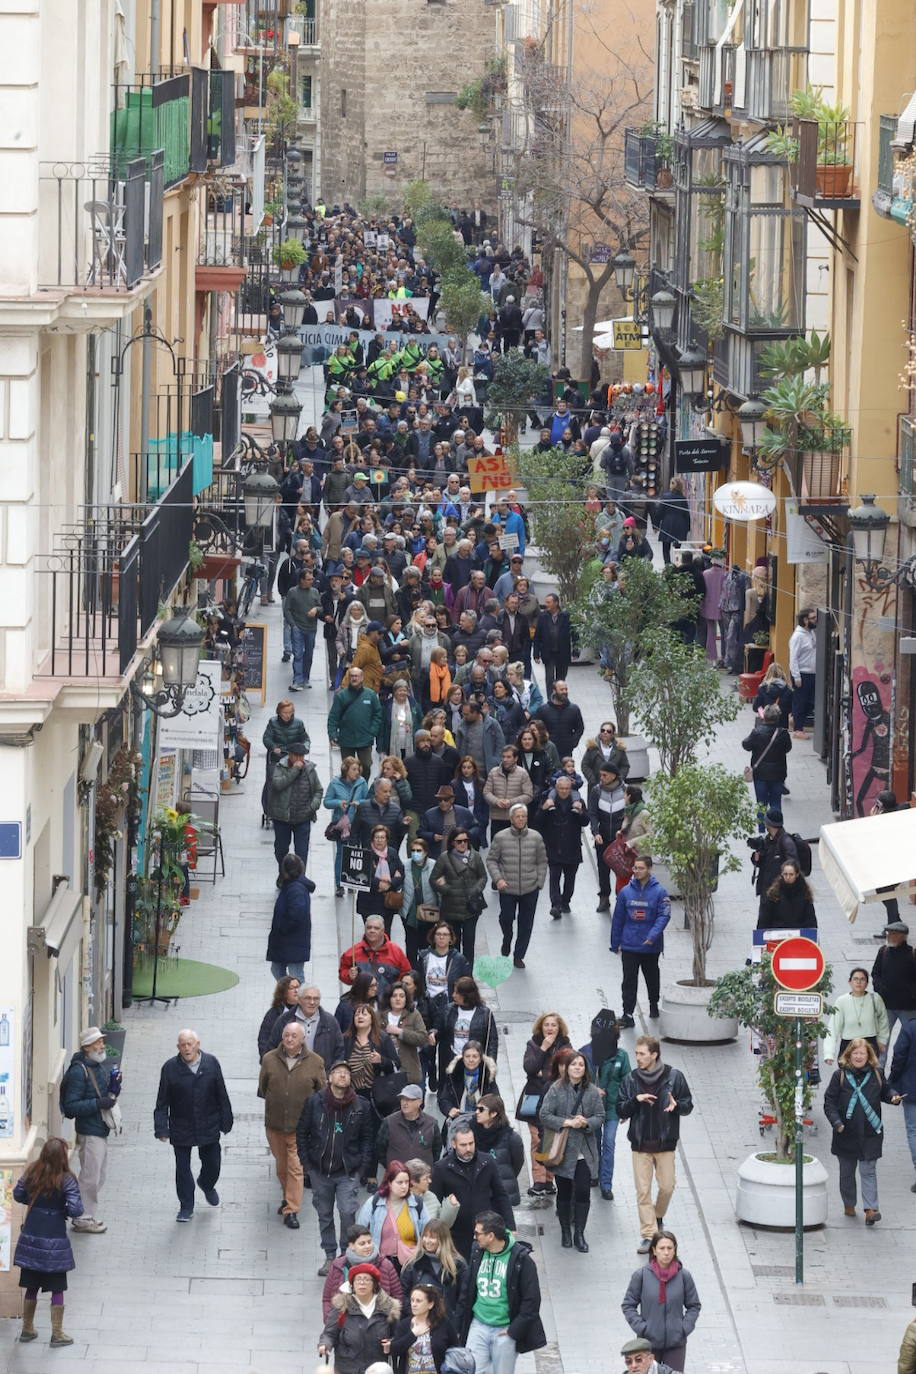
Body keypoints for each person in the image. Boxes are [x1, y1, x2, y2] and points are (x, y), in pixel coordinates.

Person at [617, 1036, 693, 1253]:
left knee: (667, 1186)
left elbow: (688, 1105)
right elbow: (620, 1109)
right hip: (640, 1144)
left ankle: (657, 1216)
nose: (638, 1058)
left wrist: (677, 1106)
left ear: (654, 1054)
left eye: (642, 1054)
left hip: (665, 1142)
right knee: (642, 1191)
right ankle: (649, 1234)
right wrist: (635, 1101)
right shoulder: (631, 1080)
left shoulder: (674, 1076)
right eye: (637, 1054)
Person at [297, 1060, 374, 1275]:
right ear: (329, 1078)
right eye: (338, 1072)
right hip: (320, 1171)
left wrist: (361, 1169)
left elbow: (368, 1139)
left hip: (347, 1172)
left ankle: (344, 1255)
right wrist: (308, 1165)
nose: (342, 1075)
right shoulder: (315, 1102)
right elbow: (302, 1133)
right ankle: (330, 1255)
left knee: (348, 1212)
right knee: (324, 1214)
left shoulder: (361, 1106)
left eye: (346, 1073)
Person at [154, 1028, 234, 1223]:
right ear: (178, 1047)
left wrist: (226, 1120)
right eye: (183, 1045)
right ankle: (186, 1206)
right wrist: (161, 1128)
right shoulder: (170, 1068)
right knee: (182, 1168)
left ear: (198, 1044)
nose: (187, 1048)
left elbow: (221, 1093)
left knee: (213, 1163)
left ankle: (206, 1184)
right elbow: (162, 1101)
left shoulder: (211, 1063)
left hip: (209, 1123)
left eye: (190, 1044)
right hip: (181, 1125)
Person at [12, 1137, 83, 1347]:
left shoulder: (32, 1172)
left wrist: (37, 1206)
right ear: (62, 1156)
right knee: (57, 1288)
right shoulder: (67, 1179)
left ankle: (27, 1329)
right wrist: (62, 1210)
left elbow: (18, 1194)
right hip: (55, 1243)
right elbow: (77, 1209)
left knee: (31, 1286)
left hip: (32, 1238)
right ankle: (57, 1334)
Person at [823, 1036, 901, 1225]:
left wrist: (893, 1097)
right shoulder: (839, 1076)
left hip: (870, 1132)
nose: (859, 1056)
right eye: (855, 1053)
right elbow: (829, 1103)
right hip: (846, 1133)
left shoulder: (876, 1074)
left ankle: (871, 1209)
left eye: (862, 1053)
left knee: (868, 1170)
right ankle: (849, 1204)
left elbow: (886, 1091)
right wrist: (837, 1124)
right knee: (847, 1173)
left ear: (869, 1056)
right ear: (849, 1055)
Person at [456, 1210, 546, 1373]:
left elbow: (531, 1301)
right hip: (478, 1326)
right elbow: (466, 1291)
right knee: (472, 1370)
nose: (475, 1237)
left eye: (478, 1233)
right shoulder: (477, 1252)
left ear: (490, 1236)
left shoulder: (522, 1260)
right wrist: (458, 1325)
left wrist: (514, 1330)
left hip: (505, 1330)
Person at [257, 1020, 326, 1230]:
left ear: (303, 1038)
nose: (289, 1039)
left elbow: (322, 1092)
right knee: (282, 1166)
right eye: (286, 1035)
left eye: (293, 1036)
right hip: (275, 1124)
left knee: (295, 1167)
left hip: (301, 1127)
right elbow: (263, 1086)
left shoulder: (315, 1062)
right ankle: (288, 1197)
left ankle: (292, 1210)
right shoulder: (269, 1059)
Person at [539, 1051, 603, 1252]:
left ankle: (579, 1234)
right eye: (574, 1064)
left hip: (584, 1151)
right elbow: (544, 1114)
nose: (577, 1067)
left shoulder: (592, 1091)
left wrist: (586, 1123)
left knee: (584, 1191)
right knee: (564, 1192)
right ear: (566, 1067)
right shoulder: (556, 1089)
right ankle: (565, 1231)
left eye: (581, 1065)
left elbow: (600, 1115)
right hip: (563, 1150)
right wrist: (567, 1122)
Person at [59, 1025, 121, 1235]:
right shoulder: (79, 1071)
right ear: (87, 1047)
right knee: (90, 1177)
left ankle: (84, 1212)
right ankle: (82, 1218)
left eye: (101, 1041)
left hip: (99, 1129)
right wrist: (98, 1103)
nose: (102, 1045)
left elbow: (100, 1094)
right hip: (90, 1130)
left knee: (98, 1176)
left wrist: (113, 1089)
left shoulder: (95, 1065)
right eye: (98, 1042)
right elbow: (71, 1106)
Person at [621, 1230, 701, 1374]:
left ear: (674, 1250)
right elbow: (628, 1305)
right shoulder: (641, 1276)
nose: (666, 1253)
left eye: (670, 1248)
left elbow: (694, 1305)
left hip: (676, 1343)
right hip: (648, 1343)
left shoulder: (684, 1276)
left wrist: (683, 1328)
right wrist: (643, 1328)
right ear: (654, 1250)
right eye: (662, 1248)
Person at [431, 1131, 515, 1260]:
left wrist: (510, 1225)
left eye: (471, 1143)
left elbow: (501, 1195)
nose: (468, 1149)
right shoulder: (442, 1168)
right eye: (463, 1145)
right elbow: (434, 1203)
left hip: (486, 1231)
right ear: (453, 1144)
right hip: (457, 1235)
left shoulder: (487, 1162)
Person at [485, 803, 548, 970]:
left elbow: (542, 861)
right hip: (508, 888)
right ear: (511, 818)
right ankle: (507, 938)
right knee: (506, 918)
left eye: (523, 816)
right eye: (517, 816)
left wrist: (539, 882)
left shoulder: (536, 837)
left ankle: (519, 955)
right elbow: (491, 860)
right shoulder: (500, 837)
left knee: (526, 924)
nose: (521, 819)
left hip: (530, 888)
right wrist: (498, 879)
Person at [611, 857, 671, 1027]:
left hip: (650, 947)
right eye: (635, 868)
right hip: (630, 945)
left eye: (641, 868)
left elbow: (664, 916)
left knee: (652, 977)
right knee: (629, 980)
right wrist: (615, 943)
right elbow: (618, 919)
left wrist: (652, 936)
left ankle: (653, 1004)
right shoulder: (625, 892)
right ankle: (627, 1014)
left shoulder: (660, 892)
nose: (637, 871)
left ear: (650, 869)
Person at [518, 1013, 572, 1200]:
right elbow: (530, 1068)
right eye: (546, 1025)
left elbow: (566, 1071)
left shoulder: (565, 1046)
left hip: (556, 1098)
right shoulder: (533, 1044)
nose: (550, 1028)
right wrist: (543, 1049)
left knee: (552, 1139)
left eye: (553, 1025)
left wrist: (544, 1073)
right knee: (536, 1139)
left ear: (559, 1028)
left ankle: (549, 1179)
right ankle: (539, 1179)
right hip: (535, 1096)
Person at [318, 1262, 401, 1372]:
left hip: (376, 1368)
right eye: (358, 1280)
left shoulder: (388, 1308)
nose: (362, 1283)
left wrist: (391, 1344)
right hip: (347, 1367)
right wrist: (325, 1344)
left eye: (367, 1280)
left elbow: (398, 1336)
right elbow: (329, 1333)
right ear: (352, 1284)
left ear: (374, 1284)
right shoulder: (342, 1307)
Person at [322, 1221, 405, 1321]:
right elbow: (327, 1298)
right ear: (351, 1245)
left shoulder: (385, 1265)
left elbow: (398, 1295)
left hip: (378, 1324)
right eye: (362, 1244)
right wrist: (329, 1320)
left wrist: (390, 1321)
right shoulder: (338, 1266)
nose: (367, 1246)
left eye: (369, 1242)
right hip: (345, 1325)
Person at [358, 1160, 432, 1271]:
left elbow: (428, 1231)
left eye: (407, 1182)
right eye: (400, 1182)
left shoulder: (416, 1203)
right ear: (389, 1183)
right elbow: (359, 1232)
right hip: (380, 1264)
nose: (404, 1186)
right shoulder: (374, 1202)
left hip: (410, 1265)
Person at [266, 741, 323, 878]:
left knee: (302, 852)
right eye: (296, 756)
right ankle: (283, 874)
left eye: (302, 756)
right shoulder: (280, 767)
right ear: (290, 755)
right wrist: (294, 770)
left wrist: (312, 807)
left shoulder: (310, 770)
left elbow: (318, 790)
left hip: (303, 817)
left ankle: (299, 879)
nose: (299, 759)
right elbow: (278, 784)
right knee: (281, 850)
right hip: (282, 818)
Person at [430, 834, 488, 967]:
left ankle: (467, 972)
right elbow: (433, 879)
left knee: (469, 941)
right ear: (452, 843)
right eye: (459, 841)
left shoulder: (476, 856)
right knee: (454, 943)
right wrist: (446, 889)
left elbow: (483, 877)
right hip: (451, 908)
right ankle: (454, 971)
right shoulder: (444, 857)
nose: (463, 844)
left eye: (466, 841)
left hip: (470, 908)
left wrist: (476, 889)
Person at [538, 774, 589, 918]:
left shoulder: (578, 801)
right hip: (553, 846)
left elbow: (586, 821)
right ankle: (556, 904)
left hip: (572, 847)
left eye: (567, 788)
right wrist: (544, 808)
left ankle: (566, 900)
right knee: (554, 877)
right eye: (561, 788)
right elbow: (538, 821)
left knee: (570, 879)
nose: (564, 791)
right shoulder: (547, 800)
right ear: (556, 788)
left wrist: (580, 811)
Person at [268, 984, 347, 1070]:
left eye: (316, 999)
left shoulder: (330, 1022)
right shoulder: (284, 1020)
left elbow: (339, 1051)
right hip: (290, 1076)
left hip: (321, 1077)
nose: (312, 1002)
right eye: (308, 998)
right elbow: (272, 1047)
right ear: (299, 1000)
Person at [400, 1220, 468, 1319]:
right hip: (419, 1322)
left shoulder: (458, 1265)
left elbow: (463, 1299)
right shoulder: (412, 1264)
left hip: (446, 1323)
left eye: (432, 1237)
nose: (427, 1241)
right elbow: (403, 1294)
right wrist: (414, 1314)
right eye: (425, 1236)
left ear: (443, 1239)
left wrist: (455, 1324)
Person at [823, 968, 890, 1065]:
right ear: (850, 982)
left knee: (870, 1077)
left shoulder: (875, 999)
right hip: (848, 1044)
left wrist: (882, 1040)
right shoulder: (842, 1001)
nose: (859, 982)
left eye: (862, 979)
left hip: (870, 1044)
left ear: (867, 983)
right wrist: (829, 1053)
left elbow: (883, 1020)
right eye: (855, 979)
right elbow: (833, 1028)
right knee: (846, 1076)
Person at [326, 755, 371, 896]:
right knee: (341, 853)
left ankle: (351, 881)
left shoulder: (362, 783)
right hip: (342, 824)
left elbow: (369, 800)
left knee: (354, 853)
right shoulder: (335, 784)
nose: (357, 772)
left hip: (357, 824)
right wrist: (338, 803)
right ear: (346, 770)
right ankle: (339, 884)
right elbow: (326, 802)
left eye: (358, 769)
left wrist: (361, 803)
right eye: (354, 769)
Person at [742, 704, 792, 830]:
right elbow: (788, 748)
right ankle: (776, 830)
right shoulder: (783, 733)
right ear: (777, 718)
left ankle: (761, 830)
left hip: (760, 774)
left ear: (764, 717)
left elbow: (746, 745)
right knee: (776, 802)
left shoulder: (757, 732)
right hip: (777, 774)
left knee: (761, 803)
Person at [329, 665, 385, 779]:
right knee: (347, 768)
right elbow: (333, 717)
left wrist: (372, 731)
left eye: (356, 676)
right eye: (352, 676)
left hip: (365, 739)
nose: (354, 678)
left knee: (366, 765)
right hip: (346, 739)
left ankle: (362, 787)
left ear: (362, 678)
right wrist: (332, 734)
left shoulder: (370, 695)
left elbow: (378, 714)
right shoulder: (341, 696)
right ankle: (347, 788)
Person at [390, 1283, 459, 1374]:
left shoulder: (444, 1324)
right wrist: (413, 1334)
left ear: (430, 1304)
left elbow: (456, 1350)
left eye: (418, 1301)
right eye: (412, 1300)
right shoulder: (405, 1324)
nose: (414, 1304)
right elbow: (394, 1350)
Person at [267, 853, 314, 980]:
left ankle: (297, 997)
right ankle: (288, 995)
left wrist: (283, 928)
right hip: (287, 941)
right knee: (278, 970)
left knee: (296, 975)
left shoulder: (295, 889)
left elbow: (297, 913)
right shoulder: (292, 886)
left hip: (292, 941)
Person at [589, 763, 627, 912]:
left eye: (605, 775)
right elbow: (592, 813)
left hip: (620, 837)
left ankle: (621, 897)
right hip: (603, 836)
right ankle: (604, 897)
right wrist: (595, 832)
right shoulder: (596, 791)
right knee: (603, 869)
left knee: (621, 869)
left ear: (613, 775)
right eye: (601, 774)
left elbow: (630, 813)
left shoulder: (625, 790)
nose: (602, 777)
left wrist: (625, 831)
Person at [377, 1084, 444, 1170]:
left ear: (419, 1102)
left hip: (422, 1179)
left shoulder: (431, 1124)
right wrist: (392, 1168)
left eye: (409, 1100)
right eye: (402, 1099)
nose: (404, 1103)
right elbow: (380, 1149)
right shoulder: (389, 1122)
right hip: (397, 1178)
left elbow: (436, 1149)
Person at [357, 828, 407, 942]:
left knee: (386, 934)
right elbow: (362, 875)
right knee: (371, 933)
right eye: (377, 837)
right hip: (369, 901)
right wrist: (378, 883)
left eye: (382, 837)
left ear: (387, 839)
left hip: (387, 902)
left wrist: (390, 884)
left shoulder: (392, 853)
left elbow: (401, 873)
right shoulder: (366, 853)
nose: (379, 840)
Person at [750, 809, 799, 924]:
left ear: (769, 824)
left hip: (780, 895)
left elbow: (794, 866)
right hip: (767, 893)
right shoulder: (769, 840)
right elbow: (764, 861)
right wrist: (756, 858)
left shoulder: (786, 842)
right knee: (763, 926)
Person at [340, 914, 413, 991]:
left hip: (388, 999)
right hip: (362, 999)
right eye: (369, 927)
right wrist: (349, 975)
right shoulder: (354, 951)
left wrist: (396, 991)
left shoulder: (396, 951)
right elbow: (343, 971)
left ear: (383, 930)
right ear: (365, 930)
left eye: (376, 928)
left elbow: (407, 975)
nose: (372, 930)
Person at [871, 921, 916, 1039]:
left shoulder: (912, 954)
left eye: (892, 934)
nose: (888, 936)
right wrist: (879, 988)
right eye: (888, 933)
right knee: (882, 1041)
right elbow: (875, 972)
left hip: (908, 1008)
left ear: (903, 937)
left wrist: (912, 994)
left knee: (910, 1039)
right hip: (886, 1005)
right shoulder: (883, 951)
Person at [381, 981, 429, 1084]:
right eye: (394, 996)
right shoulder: (379, 1015)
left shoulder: (414, 1014)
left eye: (402, 996)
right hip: (385, 1072)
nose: (398, 999)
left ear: (406, 998)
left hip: (409, 1071)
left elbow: (422, 1037)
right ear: (389, 998)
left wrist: (400, 1032)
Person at [438, 1040, 499, 1122]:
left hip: (482, 1123)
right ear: (463, 1058)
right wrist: (449, 1109)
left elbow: (496, 1102)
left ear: (480, 1058)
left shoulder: (487, 1076)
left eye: (475, 1056)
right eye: (467, 1056)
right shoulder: (453, 1075)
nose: (471, 1060)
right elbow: (444, 1099)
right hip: (458, 1121)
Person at [484, 745, 534, 840]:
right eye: (503, 757)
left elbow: (528, 795)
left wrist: (511, 802)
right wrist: (496, 801)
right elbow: (486, 792)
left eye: (508, 757)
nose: (505, 759)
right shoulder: (493, 772)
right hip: (497, 818)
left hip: (516, 819)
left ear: (515, 758)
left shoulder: (522, 773)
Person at [284, 566, 322, 688]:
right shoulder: (292, 592)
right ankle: (297, 680)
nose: (311, 581)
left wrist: (316, 609)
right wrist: (293, 625)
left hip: (311, 628)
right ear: (301, 580)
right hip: (298, 628)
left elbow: (321, 608)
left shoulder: (315, 592)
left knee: (309, 655)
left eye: (312, 579)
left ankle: (306, 678)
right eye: (309, 579)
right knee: (298, 654)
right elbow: (287, 610)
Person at [420, 786, 479, 861]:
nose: (442, 803)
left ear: (452, 800)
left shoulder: (464, 812)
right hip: (437, 856)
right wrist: (432, 836)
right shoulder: (429, 814)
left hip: (460, 857)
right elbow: (420, 832)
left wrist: (467, 835)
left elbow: (476, 827)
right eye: (440, 800)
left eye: (446, 800)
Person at [532, 680, 584, 760]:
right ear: (554, 690)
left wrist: (573, 742)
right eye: (561, 689)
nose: (564, 691)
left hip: (566, 751)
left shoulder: (574, 709)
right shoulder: (543, 710)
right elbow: (534, 726)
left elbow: (580, 728)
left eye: (566, 689)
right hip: (547, 750)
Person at [759, 859, 817, 930]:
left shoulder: (805, 895)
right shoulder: (773, 894)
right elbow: (764, 920)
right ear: (782, 874)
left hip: (798, 937)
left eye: (791, 874)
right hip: (776, 936)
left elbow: (811, 921)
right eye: (785, 874)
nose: (788, 877)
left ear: (797, 874)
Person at [533, 593, 573, 691]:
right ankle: (551, 699)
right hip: (548, 652)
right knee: (549, 677)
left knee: (561, 678)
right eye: (546, 602)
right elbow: (537, 636)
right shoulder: (543, 617)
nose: (546, 604)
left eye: (548, 602)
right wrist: (536, 654)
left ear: (556, 603)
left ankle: (560, 697)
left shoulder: (566, 616)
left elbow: (574, 633)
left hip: (562, 652)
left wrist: (576, 651)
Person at [262, 698, 310, 780]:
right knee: (273, 781)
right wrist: (273, 747)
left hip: (294, 757)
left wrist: (305, 748)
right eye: (285, 713)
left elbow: (306, 739)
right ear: (279, 713)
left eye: (290, 713)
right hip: (277, 756)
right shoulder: (273, 722)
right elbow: (266, 738)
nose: (288, 715)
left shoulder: (298, 723)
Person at [788, 606, 817, 737]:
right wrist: (796, 676)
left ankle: (794, 719)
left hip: (812, 673)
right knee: (801, 701)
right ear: (805, 620)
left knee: (810, 702)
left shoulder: (811, 633)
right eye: (813, 618)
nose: (815, 620)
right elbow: (793, 658)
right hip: (802, 673)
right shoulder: (797, 637)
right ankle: (798, 729)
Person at [257, 975, 302, 1059]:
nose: (296, 991)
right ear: (283, 992)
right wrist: (266, 1060)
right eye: (291, 988)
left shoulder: (307, 1012)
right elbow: (263, 1039)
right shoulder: (273, 1014)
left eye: (298, 987)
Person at [652, 478, 691, 566]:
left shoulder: (666, 497)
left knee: (666, 547)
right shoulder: (683, 498)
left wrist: (656, 526)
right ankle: (677, 565)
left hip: (667, 523)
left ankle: (667, 565)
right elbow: (686, 514)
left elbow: (659, 512)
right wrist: (688, 528)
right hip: (680, 525)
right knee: (677, 548)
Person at [581, 721, 630, 789]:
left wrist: (619, 779)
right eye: (603, 730)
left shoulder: (619, 748)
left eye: (609, 731)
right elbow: (585, 765)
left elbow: (625, 766)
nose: (605, 732)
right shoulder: (593, 747)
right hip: (595, 785)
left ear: (612, 734)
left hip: (615, 786)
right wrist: (592, 780)